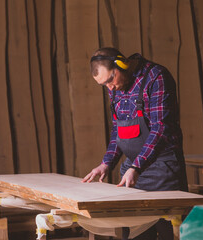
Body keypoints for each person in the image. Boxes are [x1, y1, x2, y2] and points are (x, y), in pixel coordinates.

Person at [82, 47, 188, 240]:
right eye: (104, 85)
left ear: (122, 64)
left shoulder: (156, 77)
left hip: (164, 170)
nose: (110, 88)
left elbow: (161, 128)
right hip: (133, 173)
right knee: (135, 234)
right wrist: (107, 163)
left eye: (110, 80)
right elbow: (118, 130)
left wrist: (136, 166)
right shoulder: (115, 88)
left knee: (169, 233)